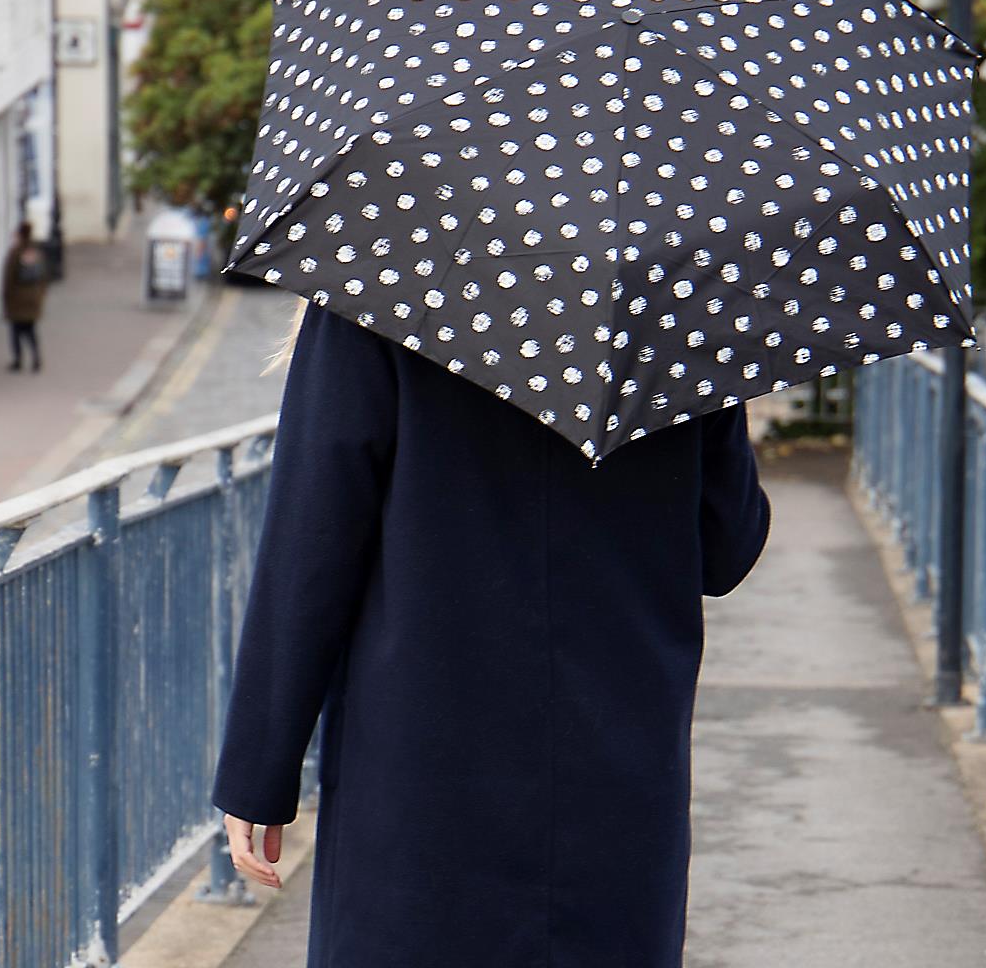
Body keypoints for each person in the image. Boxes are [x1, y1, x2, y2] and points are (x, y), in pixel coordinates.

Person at [211, 294, 772, 968]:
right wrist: (723, 390)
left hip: (421, 766)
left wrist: (258, 772)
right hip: (614, 763)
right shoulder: (676, 307)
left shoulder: (379, 295)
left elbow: (311, 543)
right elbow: (727, 549)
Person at [2, 221, 48, 372]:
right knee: (31, 330)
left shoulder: (15, 253)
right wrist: (41, 294)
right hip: (33, 297)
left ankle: (18, 360)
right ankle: (36, 358)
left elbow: (9, 277)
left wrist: (5, 296)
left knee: (16, 330)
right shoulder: (36, 252)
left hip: (17, 298)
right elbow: (44, 276)